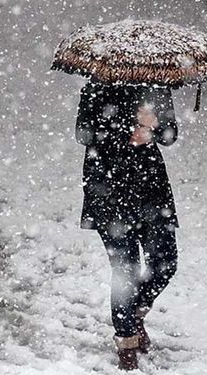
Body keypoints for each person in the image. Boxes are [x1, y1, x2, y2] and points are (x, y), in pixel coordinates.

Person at [75, 78, 179, 370]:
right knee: (126, 270)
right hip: (109, 190)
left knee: (166, 261)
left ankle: (134, 315)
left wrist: (154, 127)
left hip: (151, 190)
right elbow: (84, 134)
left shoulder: (157, 86)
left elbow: (170, 135)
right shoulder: (96, 88)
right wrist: (129, 128)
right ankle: (126, 343)